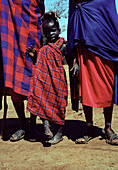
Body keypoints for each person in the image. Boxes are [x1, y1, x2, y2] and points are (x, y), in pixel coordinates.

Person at [0, 0, 45, 141]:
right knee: (13, 80)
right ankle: (23, 125)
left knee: (34, 81)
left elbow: (40, 5)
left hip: (31, 31)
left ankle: (33, 124)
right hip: (10, 36)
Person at [67, 0, 118, 145]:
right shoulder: (75, 2)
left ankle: (108, 128)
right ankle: (89, 127)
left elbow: (111, 16)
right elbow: (73, 25)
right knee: (86, 88)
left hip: (105, 47)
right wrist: (74, 58)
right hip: (84, 50)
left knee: (107, 88)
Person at [27, 11, 77, 144]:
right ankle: (45, 125)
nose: (51, 34)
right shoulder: (44, 49)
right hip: (46, 82)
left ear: (59, 30)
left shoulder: (63, 46)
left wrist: (75, 64)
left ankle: (59, 133)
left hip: (59, 81)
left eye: (53, 30)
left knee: (60, 104)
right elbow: (42, 64)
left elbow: (70, 58)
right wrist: (34, 57)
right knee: (42, 100)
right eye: (47, 32)